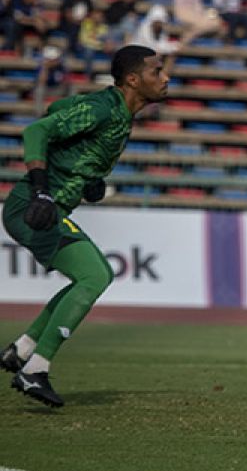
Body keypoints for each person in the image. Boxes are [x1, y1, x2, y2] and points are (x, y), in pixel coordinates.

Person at [2, 46, 169, 407]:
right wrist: (43, 191)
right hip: (31, 207)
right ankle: (35, 370)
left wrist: (89, 179)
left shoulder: (120, 113)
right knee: (95, 276)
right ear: (133, 80)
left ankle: (23, 349)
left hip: (49, 207)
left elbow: (57, 111)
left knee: (91, 277)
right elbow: (35, 132)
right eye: (158, 71)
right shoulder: (103, 109)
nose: (166, 77)